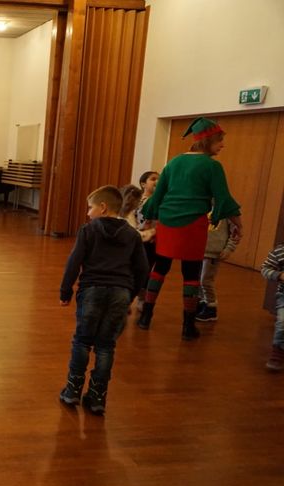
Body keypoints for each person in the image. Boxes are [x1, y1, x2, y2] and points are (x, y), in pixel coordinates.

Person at [138, 117, 242, 340]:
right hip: (193, 224)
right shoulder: (212, 166)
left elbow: (158, 196)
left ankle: (145, 316)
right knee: (191, 274)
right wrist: (238, 223)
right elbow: (223, 198)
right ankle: (188, 326)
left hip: (167, 223)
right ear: (207, 140)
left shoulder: (173, 163)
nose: (222, 145)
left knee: (159, 268)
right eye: (219, 140)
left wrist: (149, 219)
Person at [59, 185, 149, 414]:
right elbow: (142, 269)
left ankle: (72, 391)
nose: (88, 213)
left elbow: (74, 262)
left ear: (103, 207)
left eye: (90, 208)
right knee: (106, 345)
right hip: (120, 293)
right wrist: (130, 294)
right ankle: (97, 397)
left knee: (82, 341)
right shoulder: (132, 234)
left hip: (91, 290)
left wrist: (65, 291)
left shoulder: (88, 230)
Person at [195, 216, 240, 322]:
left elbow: (236, 231)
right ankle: (202, 302)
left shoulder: (227, 210)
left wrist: (229, 248)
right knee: (197, 279)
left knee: (205, 280)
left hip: (213, 252)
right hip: (198, 250)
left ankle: (211, 307)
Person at [134, 171, 159, 311]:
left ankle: (142, 298)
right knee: (134, 268)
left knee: (147, 269)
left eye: (159, 179)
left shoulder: (159, 201)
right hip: (137, 238)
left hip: (152, 240)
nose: (157, 181)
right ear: (143, 184)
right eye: (153, 179)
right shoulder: (137, 201)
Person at [261, 243, 284, 372]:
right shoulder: (280, 251)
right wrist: (279, 275)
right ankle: (277, 353)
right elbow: (265, 269)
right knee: (282, 322)